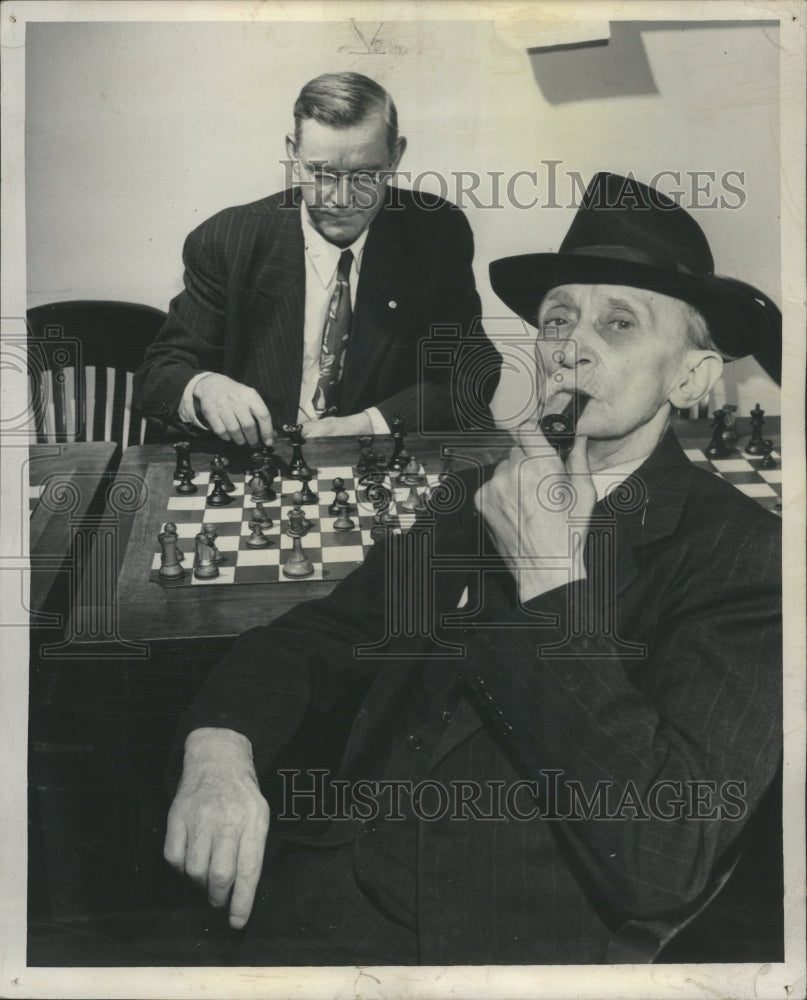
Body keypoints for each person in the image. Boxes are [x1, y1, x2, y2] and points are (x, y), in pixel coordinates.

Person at [161, 173, 782, 965]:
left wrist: (551, 585)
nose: (572, 345)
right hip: (321, 885)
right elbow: (315, 636)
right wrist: (220, 749)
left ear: (691, 377)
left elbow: (663, 854)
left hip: (492, 946)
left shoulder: (743, 561)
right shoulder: (479, 493)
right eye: (558, 319)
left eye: (619, 323)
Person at [133, 72, 500, 446]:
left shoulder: (435, 234)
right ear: (294, 154)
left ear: (395, 156)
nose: (341, 199)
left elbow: (471, 373)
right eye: (321, 173)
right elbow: (158, 375)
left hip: (374, 463)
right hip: (258, 469)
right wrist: (205, 387)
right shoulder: (227, 240)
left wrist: (366, 424)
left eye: (364, 175)